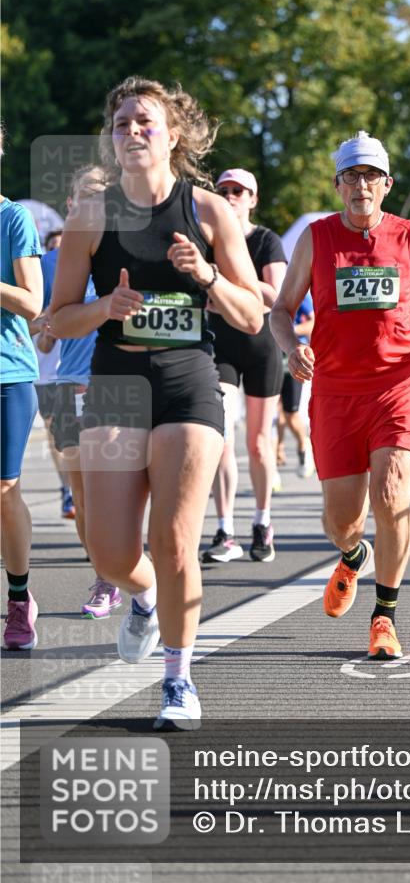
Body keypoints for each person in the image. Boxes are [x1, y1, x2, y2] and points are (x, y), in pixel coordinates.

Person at [51, 76, 263, 729]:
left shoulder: (208, 213)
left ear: (172, 137)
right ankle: (141, 600)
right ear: (113, 143)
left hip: (186, 382)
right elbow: (57, 320)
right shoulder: (92, 216)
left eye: (145, 121)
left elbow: (253, 315)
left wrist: (204, 276)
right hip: (116, 384)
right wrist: (103, 308)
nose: (132, 131)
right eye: (121, 124)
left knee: (174, 543)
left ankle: (178, 678)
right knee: (110, 552)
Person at [270, 131, 410, 660]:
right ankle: (353, 555)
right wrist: (291, 349)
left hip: (397, 386)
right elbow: (280, 310)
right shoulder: (316, 237)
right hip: (334, 393)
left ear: (387, 184)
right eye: (351, 176)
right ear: (338, 185)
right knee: (342, 521)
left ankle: (385, 616)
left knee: (392, 495)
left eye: (371, 176)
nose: (362, 185)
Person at [42, 165, 123, 618]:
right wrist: (45, 326)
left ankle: (122, 573)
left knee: (113, 488)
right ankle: (103, 578)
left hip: (114, 383)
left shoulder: (124, 250)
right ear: (72, 204)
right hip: (67, 383)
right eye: (85, 196)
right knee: (82, 494)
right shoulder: (55, 260)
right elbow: (46, 335)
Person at [203, 168, 287, 565]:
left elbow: (277, 295)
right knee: (219, 439)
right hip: (220, 347)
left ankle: (262, 520)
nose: (232, 195)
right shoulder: (209, 240)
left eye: (240, 191)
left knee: (257, 443)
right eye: (224, 190)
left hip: (261, 347)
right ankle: (224, 529)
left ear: (253, 199)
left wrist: (229, 287)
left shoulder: (266, 240)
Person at [1, 172, 44, 650]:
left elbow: (33, 302)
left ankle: (18, 598)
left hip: (6, 374)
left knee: (4, 489)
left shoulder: (14, 218)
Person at [30, 229, 75, 518]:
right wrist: (50, 324)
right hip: (46, 375)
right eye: (53, 249)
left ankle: (76, 491)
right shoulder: (40, 283)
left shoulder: (81, 282)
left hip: (76, 375)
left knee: (75, 438)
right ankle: (68, 489)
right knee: (56, 436)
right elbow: (43, 343)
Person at [275, 294, 315, 481]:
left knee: (289, 413)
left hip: (294, 352)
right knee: (273, 410)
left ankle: (303, 444)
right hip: (269, 352)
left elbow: (313, 323)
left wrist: (288, 330)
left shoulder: (297, 287)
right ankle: (274, 459)